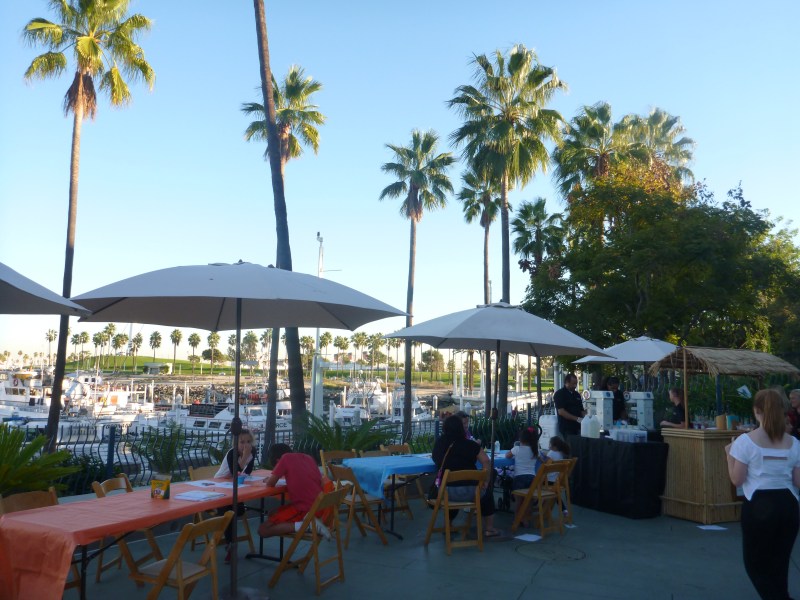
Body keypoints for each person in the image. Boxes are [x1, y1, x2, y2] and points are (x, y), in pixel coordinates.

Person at [725, 388, 800, 599]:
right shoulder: (794, 443)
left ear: (757, 411)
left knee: (755, 564)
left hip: (759, 506)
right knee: (780, 561)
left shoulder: (745, 442)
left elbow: (737, 479)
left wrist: (729, 457)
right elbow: (798, 481)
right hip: (788, 505)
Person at [432, 414, 498, 537]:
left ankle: (448, 525)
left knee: (451, 495)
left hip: (447, 491)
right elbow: (486, 461)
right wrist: (486, 481)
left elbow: (436, 461)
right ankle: (489, 528)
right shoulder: (471, 444)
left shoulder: (440, 443)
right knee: (487, 495)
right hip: (473, 491)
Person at [258, 443, 326, 539]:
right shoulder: (308, 458)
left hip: (306, 510)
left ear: (278, 461)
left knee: (263, 530)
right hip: (320, 507)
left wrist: (268, 479)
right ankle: (303, 524)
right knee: (273, 513)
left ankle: (308, 526)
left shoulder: (285, 458)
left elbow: (270, 483)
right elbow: (318, 481)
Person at [214, 429, 256, 562]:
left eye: (248, 442)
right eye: (242, 442)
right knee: (229, 512)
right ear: (236, 443)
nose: (245, 445)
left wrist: (247, 456)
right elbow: (235, 472)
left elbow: (248, 471)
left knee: (235, 510)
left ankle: (231, 543)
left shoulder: (252, 451)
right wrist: (244, 457)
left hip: (235, 487)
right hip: (220, 485)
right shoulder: (232, 453)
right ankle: (231, 546)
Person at [505, 427, 546, 527]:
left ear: (520, 439)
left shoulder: (517, 449)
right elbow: (543, 461)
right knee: (529, 500)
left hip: (519, 478)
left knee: (519, 501)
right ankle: (526, 519)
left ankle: (517, 519)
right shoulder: (535, 451)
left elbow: (507, 456)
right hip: (532, 478)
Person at [554, 373, 585, 438]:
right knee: (571, 443)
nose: (575, 386)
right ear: (567, 383)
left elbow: (581, 410)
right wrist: (577, 419)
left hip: (578, 426)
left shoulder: (577, 394)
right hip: (567, 427)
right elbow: (561, 412)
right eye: (573, 384)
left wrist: (586, 419)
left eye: (576, 383)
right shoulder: (559, 394)